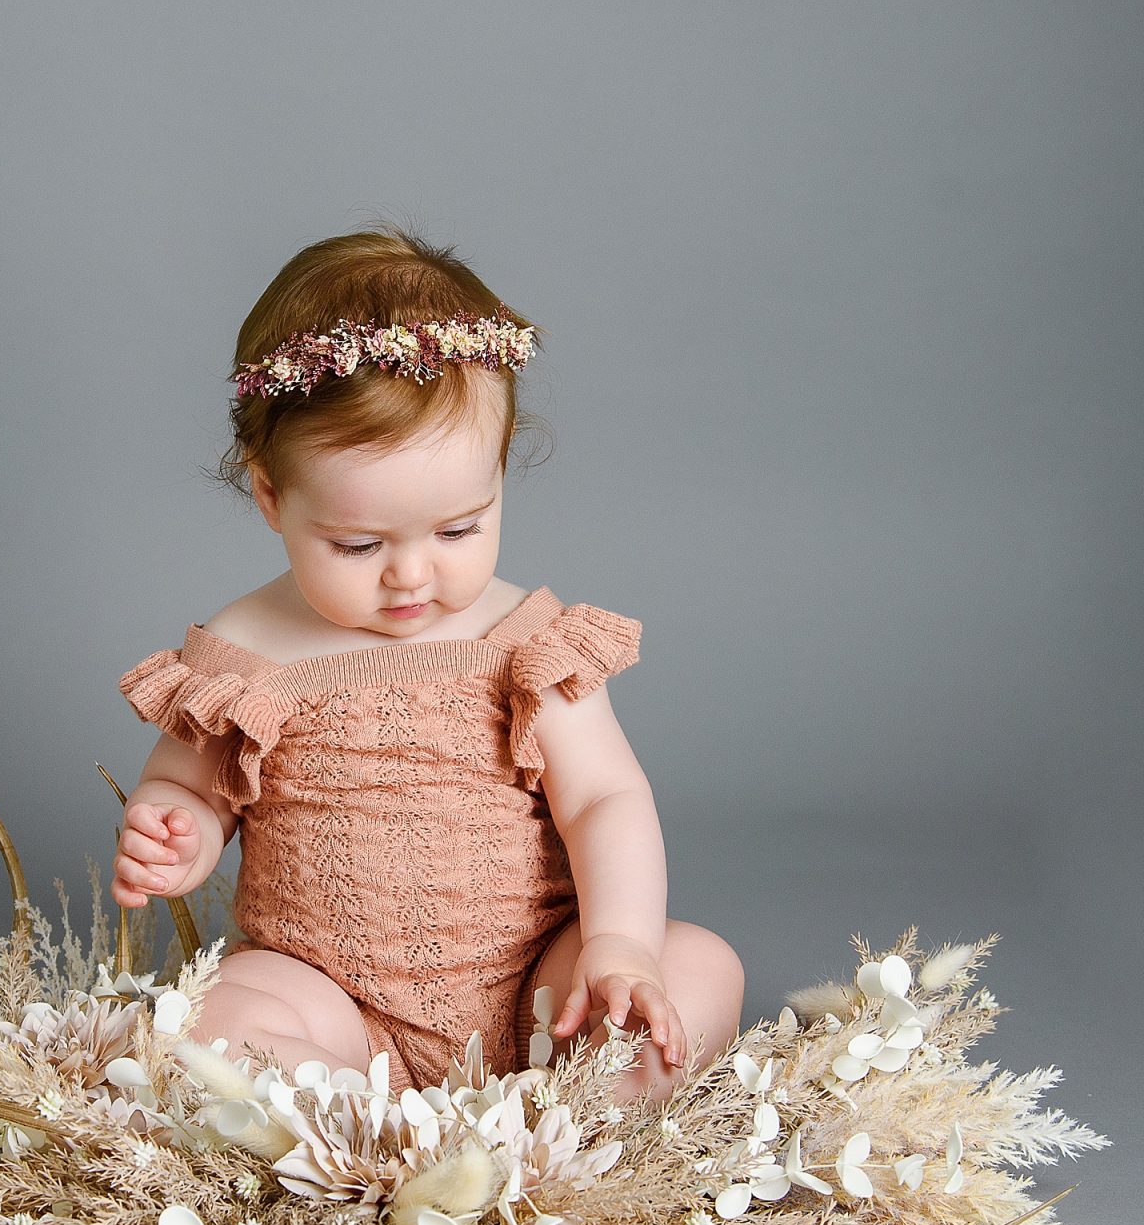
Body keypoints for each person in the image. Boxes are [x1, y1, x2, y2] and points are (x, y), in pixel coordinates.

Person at [112, 225, 743, 1102]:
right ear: (270, 494)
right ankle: (382, 1139)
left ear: (498, 478)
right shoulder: (245, 651)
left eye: (458, 529)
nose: (414, 574)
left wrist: (622, 946)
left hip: (538, 988)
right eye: (359, 542)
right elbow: (191, 786)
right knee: (210, 1022)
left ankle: (560, 1123)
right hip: (333, 1002)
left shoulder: (523, 640)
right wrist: (173, 830)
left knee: (699, 967)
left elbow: (604, 797)